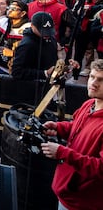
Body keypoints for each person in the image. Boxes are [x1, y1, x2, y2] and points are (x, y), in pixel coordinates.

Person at [40, 59, 103, 210]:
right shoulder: (89, 104)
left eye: (101, 80)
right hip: (66, 195)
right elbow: (76, 128)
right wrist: (59, 127)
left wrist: (62, 153)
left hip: (83, 203)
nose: (93, 83)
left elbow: (100, 168)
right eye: (92, 77)